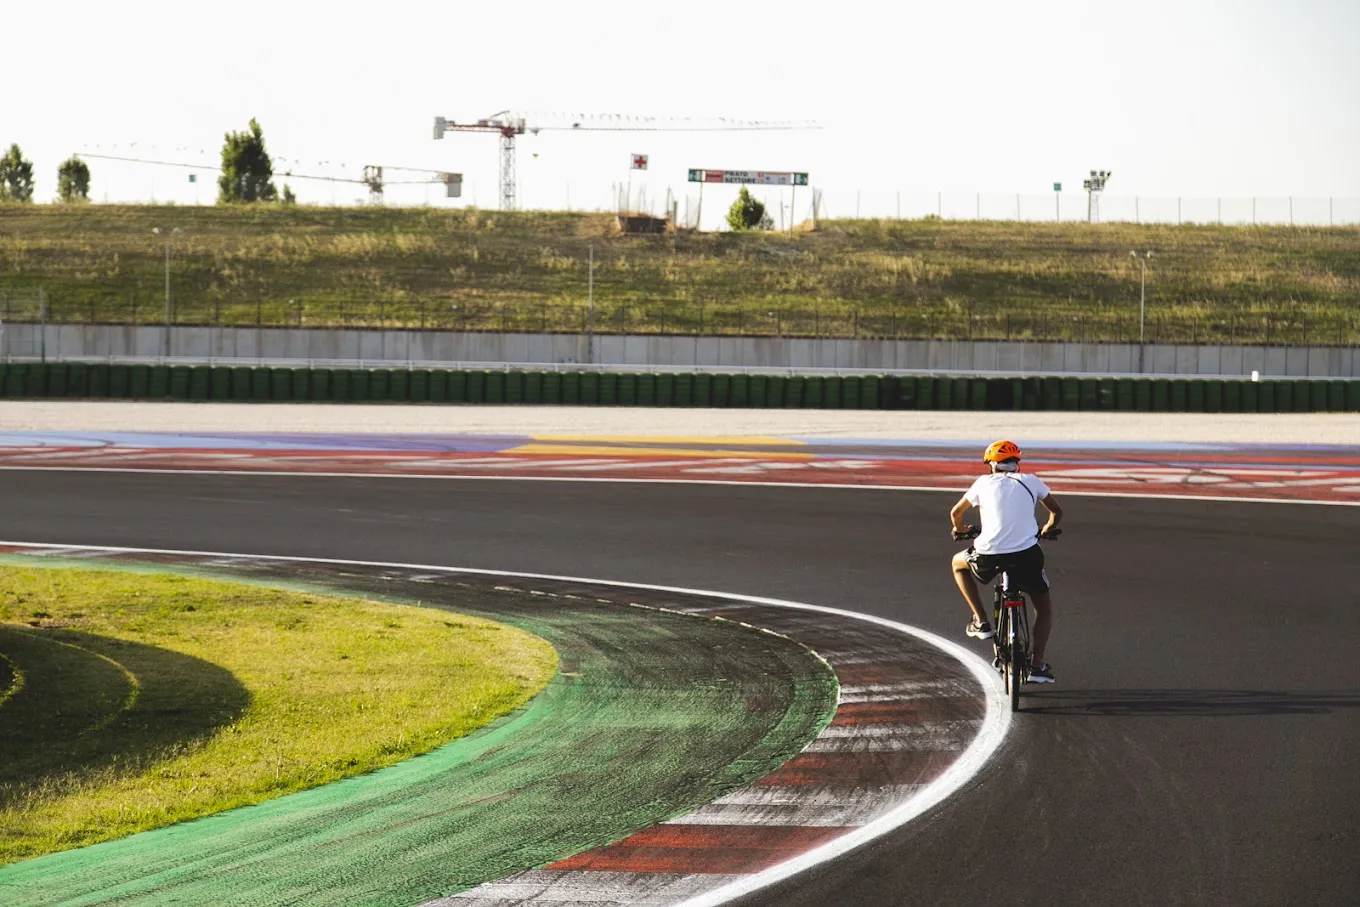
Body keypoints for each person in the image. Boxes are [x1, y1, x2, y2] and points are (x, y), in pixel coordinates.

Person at [948, 440, 1063, 683]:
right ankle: (1037, 665)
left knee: (958, 563)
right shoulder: (1031, 481)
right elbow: (1056, 512)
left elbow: (956, 513)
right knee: (1043, 608)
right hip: (1027, 556)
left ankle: (981, 622)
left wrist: (960, 530)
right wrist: (1047, 528)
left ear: (991, 465)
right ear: (1016, 464)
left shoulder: (982, 483)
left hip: (987, 555)